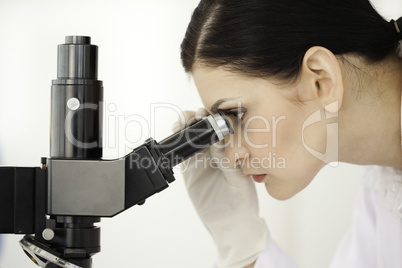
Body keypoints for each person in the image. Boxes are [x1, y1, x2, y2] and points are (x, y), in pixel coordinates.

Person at [174, 0, 402, 267]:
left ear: (322, 80)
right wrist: (243, 246)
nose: (231, 155)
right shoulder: (386, 186)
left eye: (236, 114)